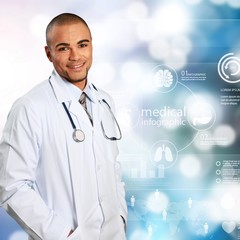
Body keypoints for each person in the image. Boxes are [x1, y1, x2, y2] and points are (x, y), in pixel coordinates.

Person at [0, 13, 127, 240]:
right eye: (63, 48)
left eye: (82, 45)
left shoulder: (104, 101)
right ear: (48, 53)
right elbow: (12, 187)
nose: (75, 56)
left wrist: (121, 219)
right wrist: (62, 235)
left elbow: (112, 169)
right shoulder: (30, 108)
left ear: (91, 47)